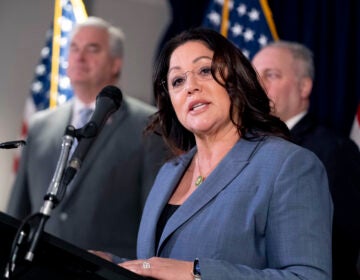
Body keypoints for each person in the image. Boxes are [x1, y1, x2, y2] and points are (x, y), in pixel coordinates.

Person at [111, 27, 333, 279]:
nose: (190, 87)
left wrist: (197, 274)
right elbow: (161, 267)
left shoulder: (289, 165)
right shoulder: (168, 172)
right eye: (177, 81)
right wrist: (110, 264)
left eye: (204, 70)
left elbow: (308, 277)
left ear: (236, 78)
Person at [7, 17, 167, 259]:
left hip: (107, 271)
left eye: (92, 48)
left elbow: (153, 218)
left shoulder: (149, 125)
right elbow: (17, 210)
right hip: (39, 267)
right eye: (74, 48)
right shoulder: (40, 125)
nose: (80, 57)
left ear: (116, 63)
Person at [252, 41, 360, 280]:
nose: (258, 86)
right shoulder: (242, 148)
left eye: (271, 75)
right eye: (253, 76)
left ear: (304, 87)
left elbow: (340, 246)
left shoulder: (334, 151)